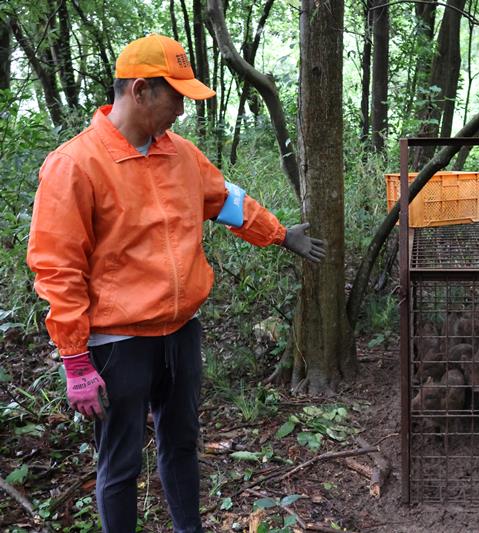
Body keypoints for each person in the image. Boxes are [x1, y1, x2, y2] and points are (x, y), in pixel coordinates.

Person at [26, 33, 325, 533]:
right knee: (119, 464)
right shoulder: (75, 165)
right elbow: (58, 267)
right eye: (176, 96)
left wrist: (278, 234)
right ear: (140, 91)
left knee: (182, 443)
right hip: (118, 342)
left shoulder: (180, 154)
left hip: (181, 333)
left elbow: (225, 199)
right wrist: (75, 359)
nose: (182, 110)